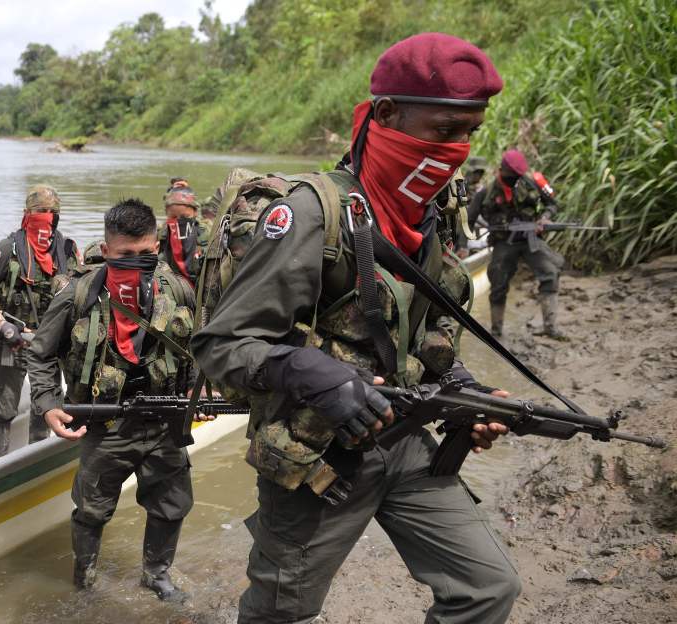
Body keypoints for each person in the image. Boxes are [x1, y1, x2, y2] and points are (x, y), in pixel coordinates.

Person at [191, 33, 521, 624]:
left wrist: (465, 391)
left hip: (409, 441)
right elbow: (220, 344)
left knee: (487, 588)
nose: (458, 150)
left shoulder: (435, 211)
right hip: (318, 455)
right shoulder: (312, 213)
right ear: (386, 114)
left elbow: (422, 335)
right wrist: (305, 368)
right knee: (279, 613)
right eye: (444, 131)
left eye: (470, 133)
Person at [29, 198, 202, 601]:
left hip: (164, 424)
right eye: (127, 255)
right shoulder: (78, 295)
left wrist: (197, 394)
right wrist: (48, 403)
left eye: (147, 253)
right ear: (106, 251)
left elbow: (195, 348)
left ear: (156, 246)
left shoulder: (177, 289)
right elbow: (39, 354)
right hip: (104, 425)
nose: (139, 263)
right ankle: (84, 580)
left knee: (172, 504)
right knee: (91, 510)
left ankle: (156, 575)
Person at [0, 184, 80, 458]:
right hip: (14, 342)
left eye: (52, 212)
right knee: (5, 408)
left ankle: (37, 457)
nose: (46, 217)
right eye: (40, 211)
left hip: (49, 346)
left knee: (45, 406)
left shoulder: (65, 249)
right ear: (26, 213)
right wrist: (2, 325)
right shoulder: (8, 248)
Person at [471, 149, 564, 338]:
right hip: (504, 242)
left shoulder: (532, 183)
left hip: (531, 239)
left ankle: (550, 327)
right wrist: (462, 247)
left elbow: (552, 204)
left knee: (550, 273)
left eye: (517, 177)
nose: (515, 180)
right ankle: (496, 331)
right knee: (498, 283)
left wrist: (544, 219)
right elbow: (468, 221)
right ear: (500, 170)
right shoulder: (485, 193)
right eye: (511, 176)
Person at [158, 185, 211, 286]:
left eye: (184, 217)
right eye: (173, 217)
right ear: (166, 214)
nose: (178, 221)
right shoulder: (162, 234)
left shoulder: (205, 232)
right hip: (173, 286)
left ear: (195, 212)